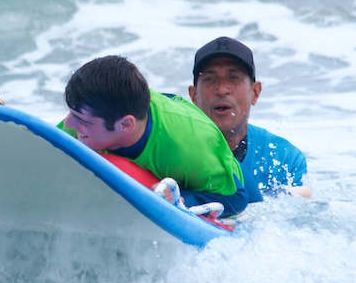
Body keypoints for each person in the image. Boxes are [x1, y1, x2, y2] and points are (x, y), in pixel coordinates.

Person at [60, 55, 248, 218]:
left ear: (125, 124)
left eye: (82, 121)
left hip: (228, 178)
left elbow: (238, 197)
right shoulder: (90, 114)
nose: (68, 124)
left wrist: (184, 197)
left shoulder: (185, 147)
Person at [188, 37, 311, 201]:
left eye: (234, 78)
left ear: (255, 93)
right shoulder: (174, 151)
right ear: (194, 96)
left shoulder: (283, 159)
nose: (222, 90)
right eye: (210, 79)